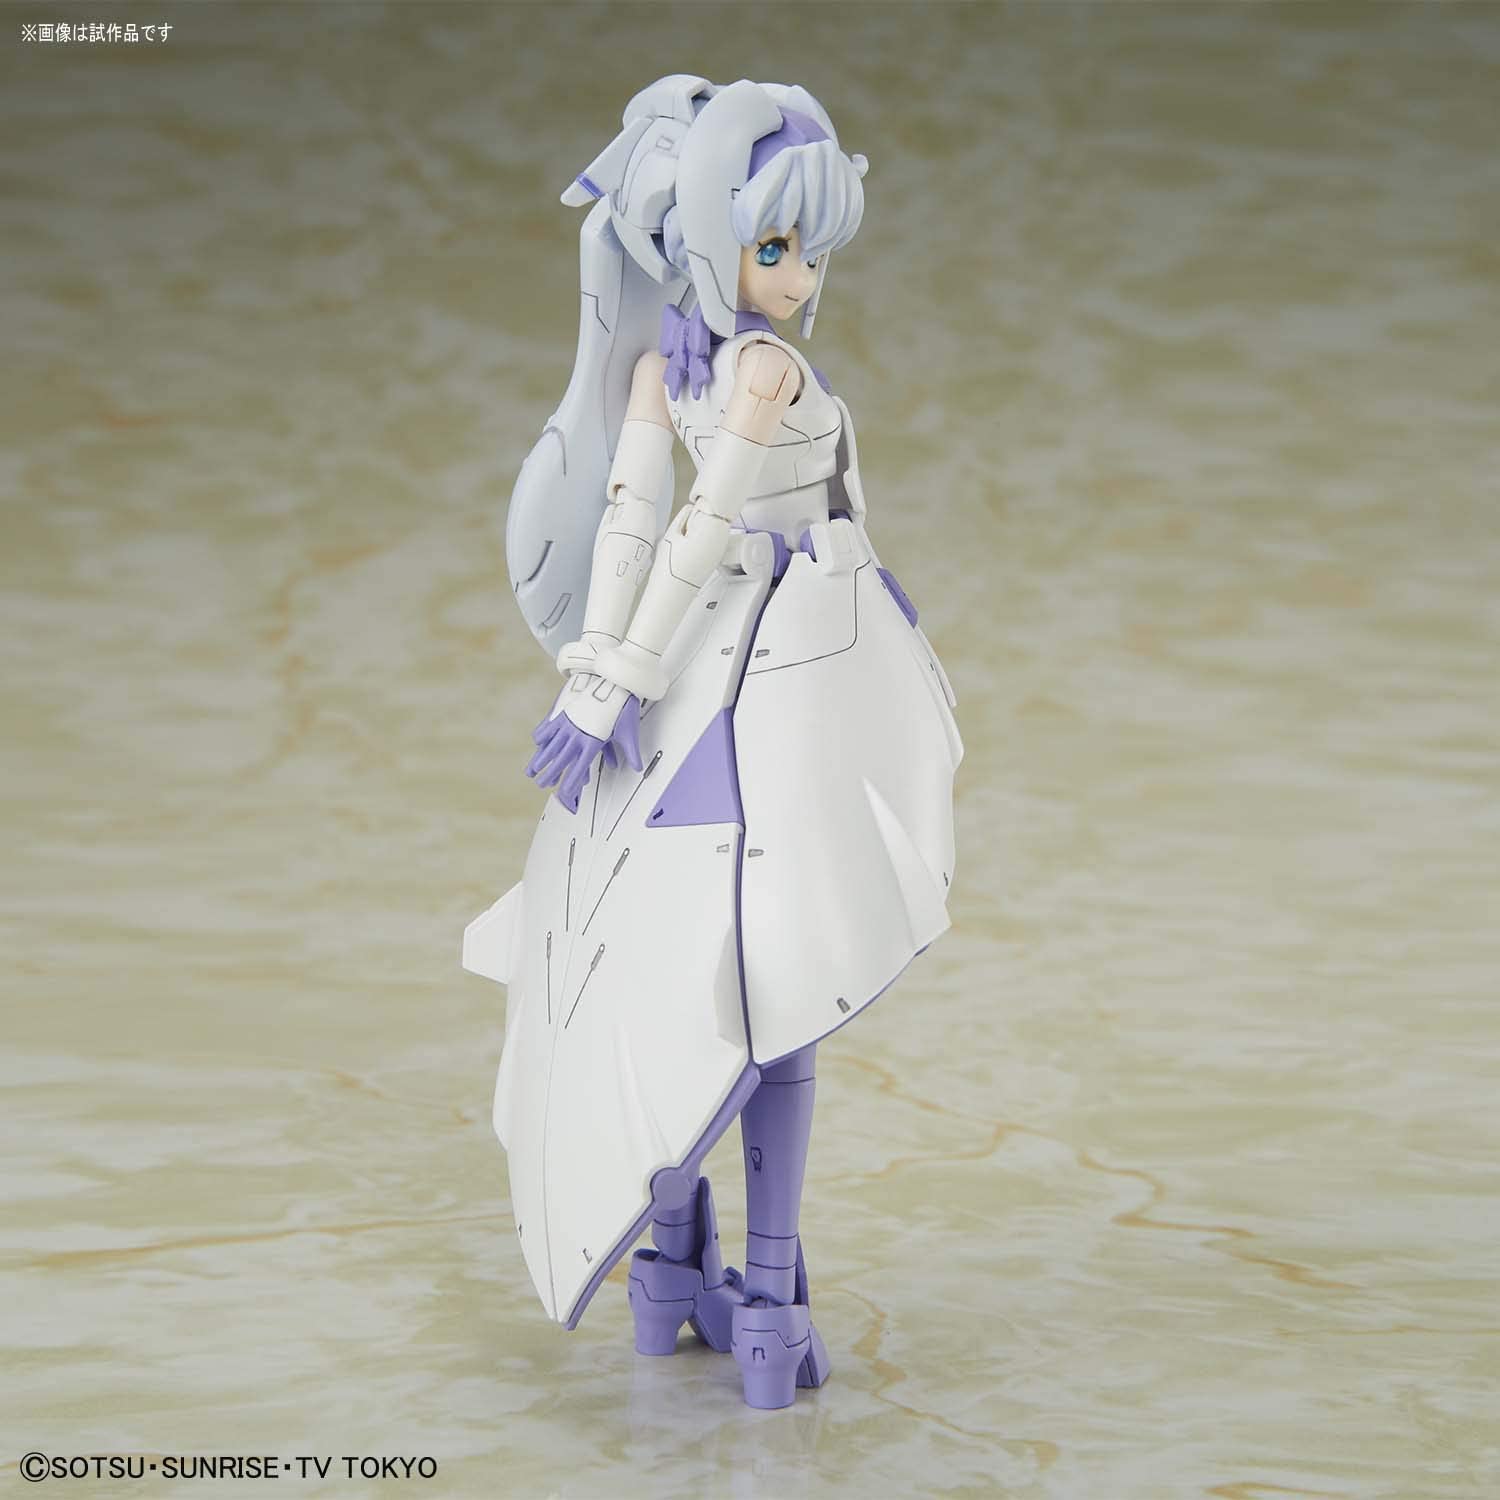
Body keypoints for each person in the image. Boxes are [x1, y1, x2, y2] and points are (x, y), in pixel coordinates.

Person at [463, 75, 962, 1410]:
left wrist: (607, 672)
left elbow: (636, 527)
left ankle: (671, 1274)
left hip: (703, 668)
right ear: (701, 234)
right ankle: (766, 1296)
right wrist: (606, 679)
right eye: (776, 246)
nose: (800, 279)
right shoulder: (759, 368)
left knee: (678, 960)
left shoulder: (661, 360)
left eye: (810, 252)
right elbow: (683, 525)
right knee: (773, 983)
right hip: (773, 671)